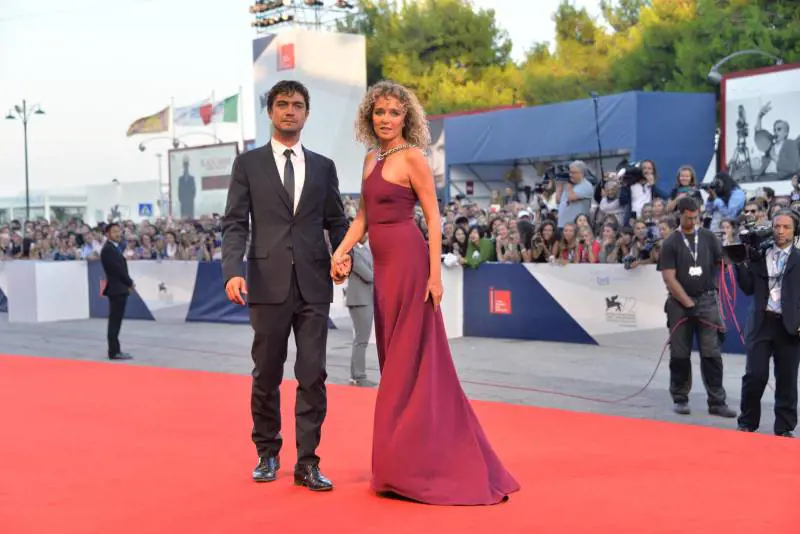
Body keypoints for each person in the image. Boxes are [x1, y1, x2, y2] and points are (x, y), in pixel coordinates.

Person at [330, 80, 520, 506]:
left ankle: (414, 468)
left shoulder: (413, 157)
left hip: (412, 268)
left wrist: (434, 277)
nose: (386, 119)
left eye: (394, 113)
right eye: (379, 112)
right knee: (394, 363)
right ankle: (403, 463)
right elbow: (363, 218)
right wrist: (340, 250)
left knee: (409, 367)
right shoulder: (369, 159)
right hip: (384, 272)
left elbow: (434, 220)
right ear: (369, 115)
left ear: (407, 118)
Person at [221, 80, 352, 492]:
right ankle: (267, 453)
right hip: (265, 282)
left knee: (313, 375)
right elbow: (234, 221)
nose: (289, 111)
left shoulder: (324, 166)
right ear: (271, 112)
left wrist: (343, 252)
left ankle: (308, 463)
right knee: (267, 374)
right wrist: (232, 270)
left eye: (297, 105)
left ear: (307, 114)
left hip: (314, 284)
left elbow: (337, 221)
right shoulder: (248, 164)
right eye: (282, 105)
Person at [657, 196, 737, 418]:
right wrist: (688, 303)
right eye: (689, 217)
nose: (693, 220)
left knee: (711, 352)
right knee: (680, 352)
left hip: (708, 300)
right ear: (680, 214)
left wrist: (732, 254)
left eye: (696, 216)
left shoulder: (709, 237)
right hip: (679, 303)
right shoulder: (671, 242)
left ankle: (717, 401)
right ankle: (680, 397)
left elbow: (721, 262)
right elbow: (669, 278)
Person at [734, 210, 800, 437]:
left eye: (786, 227)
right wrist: (740, 261)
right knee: (755, 375)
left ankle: (784, 427)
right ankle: (747, 422)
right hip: (761, 323)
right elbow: (747, 287)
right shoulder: (760, 255)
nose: (780, 231)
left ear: (794, 231)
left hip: (790, 326)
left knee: (787, 379)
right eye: (777, 226)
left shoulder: (799, 259)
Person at [345, 233, 376, 387]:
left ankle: (355, 376)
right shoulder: (352, 251)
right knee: (361, 340)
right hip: (360, 300)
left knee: (359, 340)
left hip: (364, 299)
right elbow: (369, 275)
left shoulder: (365, 250)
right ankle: (359, 376)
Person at [99, 222, 134, 361]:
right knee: (115, 321)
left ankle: (115, 350)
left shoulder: (115, 248)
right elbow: (118, 270)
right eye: (114, 232)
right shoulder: (108, 249)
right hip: (116, 289)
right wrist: (130, 283)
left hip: (119, 288)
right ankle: (114, 351)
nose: (118, 234)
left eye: (119, 231)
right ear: (108, 234)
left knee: (116, 320)